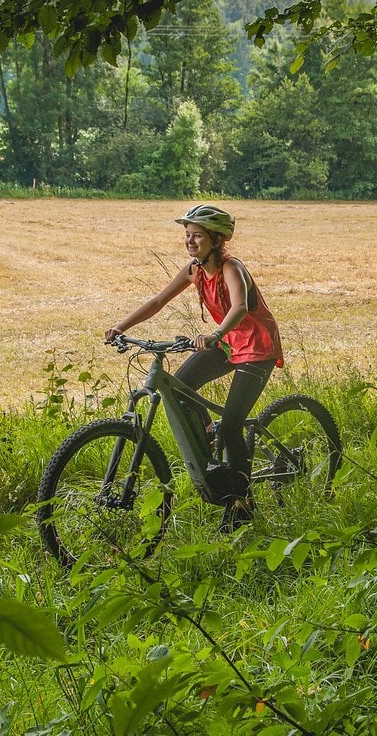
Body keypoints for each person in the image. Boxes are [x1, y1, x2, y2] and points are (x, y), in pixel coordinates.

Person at [104, 204, 283, 532]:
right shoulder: (194, 270)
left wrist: (214, 333)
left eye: (197, 235)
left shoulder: (231, 268)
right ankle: (212, 444)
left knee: (232, 424)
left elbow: (241, 305)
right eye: (187, 235)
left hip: (256, 347)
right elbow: (158, 301)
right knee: (181, 389)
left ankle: (243, 502)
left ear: (216, 239)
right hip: (228, 344)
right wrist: (120, 326)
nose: (190, 240)